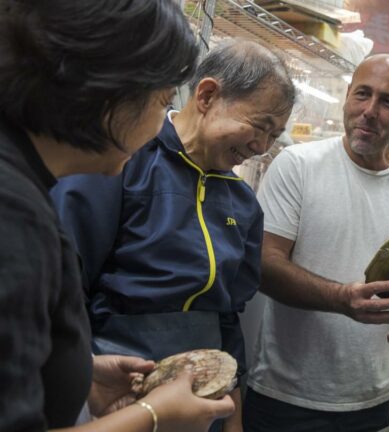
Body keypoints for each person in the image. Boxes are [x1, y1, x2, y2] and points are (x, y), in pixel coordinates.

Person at [0, 0, 234, 431]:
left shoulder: (26, 183)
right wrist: (152, 415)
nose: (162, 124)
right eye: (163, 99)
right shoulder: (15, 216)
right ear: (110, 90)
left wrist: (78, 370)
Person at [50, 39, 296, 431]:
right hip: (113, 383)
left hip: (203, 397)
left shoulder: (242, 203)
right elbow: (64, 286)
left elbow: (229, 316)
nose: (261, 146)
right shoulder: (124, 163)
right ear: (208, 95)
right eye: (259, 126)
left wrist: (232, 412)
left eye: (274, 136)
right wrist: (73, 378)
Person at [243, 54, 389, 432]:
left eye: (388, 101)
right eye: (362, 95)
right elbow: (263, 262)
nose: (369, 111)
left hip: (372, 399)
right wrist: (341, 298)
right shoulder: (298, 165)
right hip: (285, 395)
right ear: (347, 99)